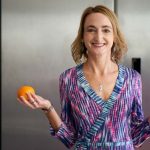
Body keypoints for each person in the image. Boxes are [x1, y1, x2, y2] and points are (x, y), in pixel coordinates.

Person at [18, 5, 150, 150]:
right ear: (82, 36)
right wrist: (48, 109)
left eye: (106, 30)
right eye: (91, 30)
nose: (98, 37)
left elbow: (136, 137)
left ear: (115, 36)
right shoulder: (68, 79)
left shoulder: (132, 79)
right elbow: (69, 139)